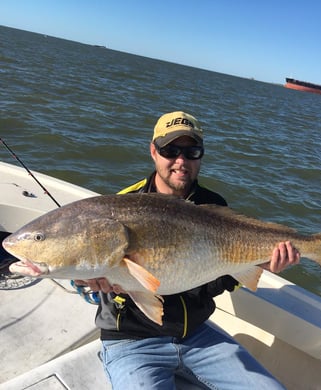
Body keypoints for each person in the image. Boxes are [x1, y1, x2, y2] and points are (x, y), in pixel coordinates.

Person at [76, 111, 300, 389]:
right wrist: (91, 282)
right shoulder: (122, 205)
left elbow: (222, 278)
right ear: (153, 152)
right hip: (132, 342)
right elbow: (85, 263)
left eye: (191, 151)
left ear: (201, 156)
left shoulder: (213, 205)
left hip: (196, 335)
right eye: (170, 150)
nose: (181, 161)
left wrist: (259, 264)